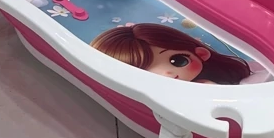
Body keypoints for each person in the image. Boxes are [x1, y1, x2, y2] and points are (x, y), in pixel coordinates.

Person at [90, 23, 250, 85]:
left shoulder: (205, 86)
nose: (164, 73)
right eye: (143, 71)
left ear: (201, 54)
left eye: (178, 61)